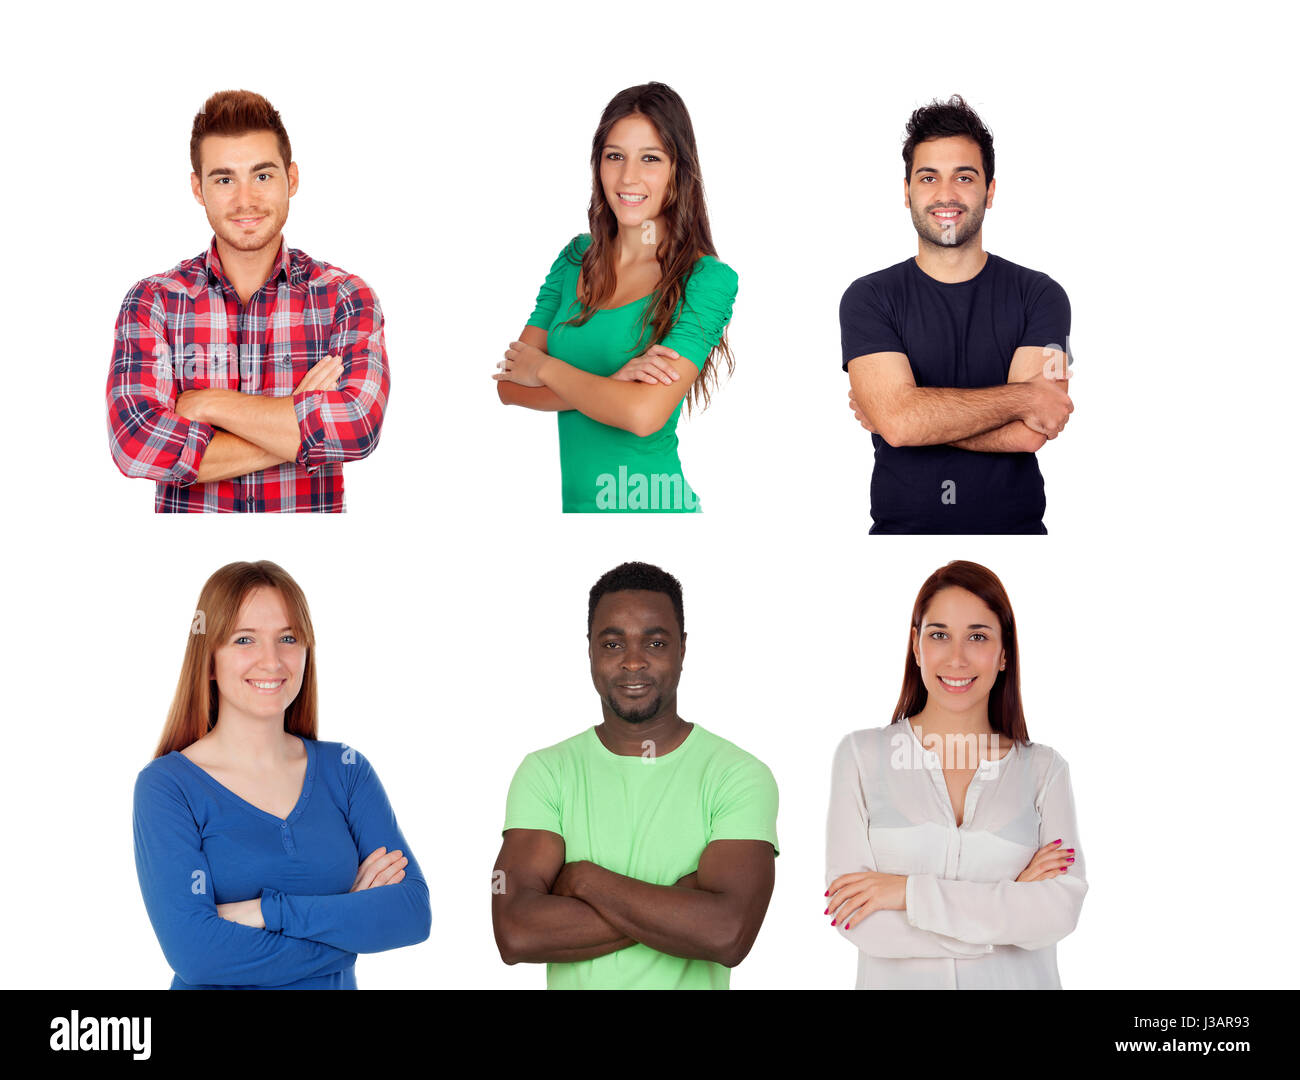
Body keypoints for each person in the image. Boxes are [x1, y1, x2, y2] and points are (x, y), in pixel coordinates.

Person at [132, 561, 429, 988]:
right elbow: (197, 954)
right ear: (209, 661)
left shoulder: (346, 771)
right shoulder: (168, 786)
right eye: (244, 639)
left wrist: (266, 912)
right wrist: (350, 921)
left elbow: (412, 913)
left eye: (288, 638)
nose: (271, 661)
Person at [492, 562, 777, 988]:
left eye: (655, 642)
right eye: (612, 644)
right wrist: (680, 905)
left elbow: (727, 933)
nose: (633, 662)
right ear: (589, 649)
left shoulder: (737, 775)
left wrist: (584, 879)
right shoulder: (545, 773)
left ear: (682, 648)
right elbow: (515, 931)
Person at [106, 90, 390, 512]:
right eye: (224, 179)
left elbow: (358, 427)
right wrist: (299, 420)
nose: (245, 201)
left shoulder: (345, 298)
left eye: (262, 176)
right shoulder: (153, 302)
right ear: (197, 188)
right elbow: (136, 443)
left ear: (291, 179)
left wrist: (207, 404)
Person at [824, 560, 1086, 989]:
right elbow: (858, 920)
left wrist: (905, 894)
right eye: (939, 635)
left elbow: (1059, 912)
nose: (957, 657)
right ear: (916, 645)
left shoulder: (1045, 771)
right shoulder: (861, 756)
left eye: (978, 637)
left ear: (1005, 653)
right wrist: (1010, 907)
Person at [493, 82, 737, 513]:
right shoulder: (573, 259)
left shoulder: (706, 280)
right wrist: (612, 387)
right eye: (615, 156)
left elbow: (643, 416)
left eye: (650, 158)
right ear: (598, 165)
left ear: (677, 170)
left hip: (658, 512)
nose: (628, 177)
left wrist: (546, 367)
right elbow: (510, 386)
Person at [840, 95, 1073, 533]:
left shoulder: (1041, 295)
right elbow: (899, 423)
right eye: (928, 177)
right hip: (898, 538)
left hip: (1018, 537)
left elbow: (1031, 433)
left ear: (990, 190)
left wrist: (906, 417)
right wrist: (1022, 397)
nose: (945, 194)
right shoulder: (868, 297)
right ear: (906, 193)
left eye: (964, 177)